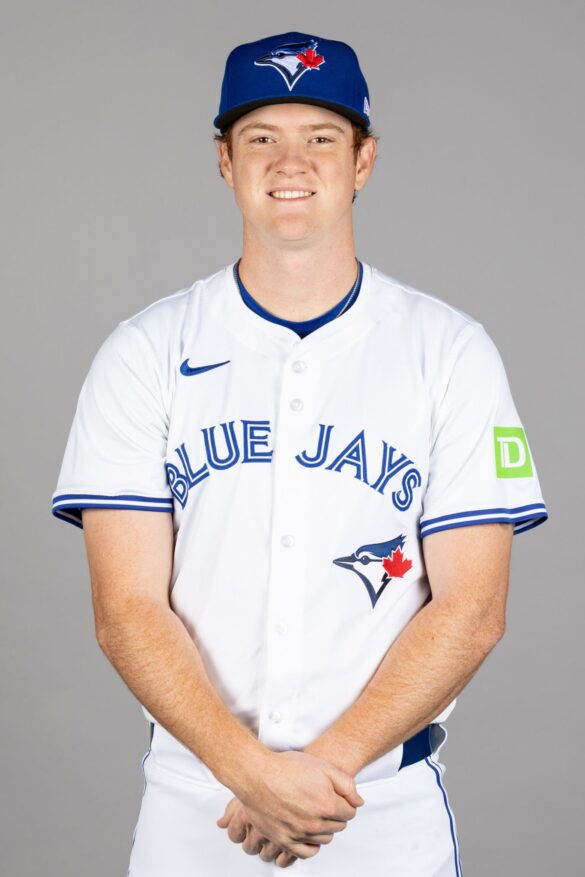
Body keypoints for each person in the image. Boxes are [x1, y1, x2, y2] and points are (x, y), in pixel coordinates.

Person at [51, 31, 548, 877]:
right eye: (260, 138)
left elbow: (472, 608)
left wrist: (321, 773)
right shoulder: (144, 351)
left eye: (320, 137)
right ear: (224, 160)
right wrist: (248, 770)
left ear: (363, 161)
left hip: (380, 806)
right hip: (198, 804)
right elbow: (126, 607)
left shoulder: (448, 351)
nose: (291, 162)